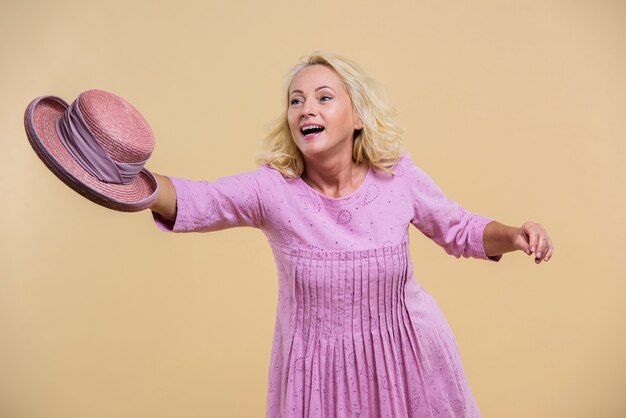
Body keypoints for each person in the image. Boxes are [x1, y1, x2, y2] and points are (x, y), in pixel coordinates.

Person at [149, 52, 553, 418]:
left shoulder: (397, 176)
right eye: (296, 100)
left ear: (357, 115)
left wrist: (515, 234)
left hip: (411, 363)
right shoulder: (272, 190)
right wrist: (125, 178)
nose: (306, 109)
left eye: (324, 97)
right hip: (319, 381)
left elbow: (460, 229)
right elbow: (195, 199)